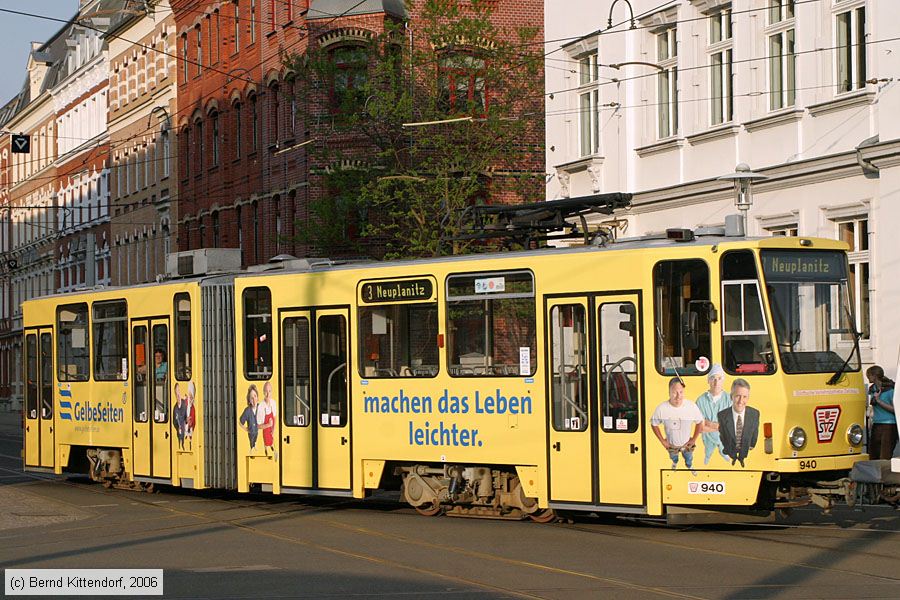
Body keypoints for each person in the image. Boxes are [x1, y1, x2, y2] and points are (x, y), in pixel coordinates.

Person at [651, 378, 704, 473]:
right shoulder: (661, 408)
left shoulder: (691, 406)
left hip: (687, 444)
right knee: (673, 457)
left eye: (681, 392)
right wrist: (663, 441)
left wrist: (694, 439)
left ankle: (689, 466)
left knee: (688, 458)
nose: (678, 396)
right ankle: (675, 462)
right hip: (671, 445)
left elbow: (700, 422)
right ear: (669, 392)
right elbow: (654, 424)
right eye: (675, 392)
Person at [717, 379, 760, 468]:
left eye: (744, 397)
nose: (741, 401)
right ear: (731, 396)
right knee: (732, 456)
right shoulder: (722, 415)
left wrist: (752, 444)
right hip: (730, 448)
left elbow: (755, 431)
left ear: (748, 397)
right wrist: (726, 446)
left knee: (742, 456)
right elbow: (722, 434)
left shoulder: (754, 413)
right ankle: (734, 459)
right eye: (737, 396)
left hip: (744, 448)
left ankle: (741, 459)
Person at [696, 364, 731, 465]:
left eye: (719, 378)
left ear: (723, 380)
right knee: (707, 457)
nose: (716, 382)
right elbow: (700, 428)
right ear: (708, 380)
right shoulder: (701, 400)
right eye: (713, 378)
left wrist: (708, 423)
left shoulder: (730, 400)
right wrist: (720, 427)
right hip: (706, 442)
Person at [866, 365, 897, 460]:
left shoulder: (890, 390)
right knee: (873, 455)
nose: (867, 377)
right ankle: (876, 474)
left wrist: (879, 401)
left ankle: (885, 474)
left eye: (869, 375)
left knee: (885, 455)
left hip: (889, 425)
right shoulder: (872, 390)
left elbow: (895, 410)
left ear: (874, 376)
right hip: (876, 424)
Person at [240, 385, 260, 452]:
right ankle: (252, 447)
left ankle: (254, 446)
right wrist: (246, 429)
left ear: (257, 397)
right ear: (249, 400)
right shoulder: (247, 411)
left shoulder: (262, 408)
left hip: (258, 434)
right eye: (251, 398)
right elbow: (240, 422)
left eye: (255, 396)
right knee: (252, 443)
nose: (254, 400)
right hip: (250, 433)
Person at [173, 383, 187, 450]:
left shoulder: (184, 403)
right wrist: (178, 427)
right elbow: (175, 421)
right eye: (176, 392)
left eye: (178, 391)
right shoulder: (175, 408)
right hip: (180, 430)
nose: (178, 394)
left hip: (185, 428)